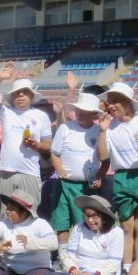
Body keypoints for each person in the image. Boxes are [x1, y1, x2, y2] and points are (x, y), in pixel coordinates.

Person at [96, 82, 138, 269]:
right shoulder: (110, 127)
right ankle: (127, 267)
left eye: (115, 101)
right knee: (127, 226)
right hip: (122, 177)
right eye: (109, 101)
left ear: (128, 102)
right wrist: (103, 131)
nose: (111, 105)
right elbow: (103, 155)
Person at [0, 62, 53, 207]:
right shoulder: (5, 112)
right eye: (17, 93)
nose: (21, 95)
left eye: (25, 92)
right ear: (12, 97)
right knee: (6, 214)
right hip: (7, 171)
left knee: (29, 214)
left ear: (32, 96)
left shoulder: (41, 116)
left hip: (30, 172)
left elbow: (49, 144)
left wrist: (37, 145)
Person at [34, 195, 124, 275]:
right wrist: (73, 270)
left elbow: (113, 265)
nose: (90, 220)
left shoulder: (116, 233)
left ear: (104, 216)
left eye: (95, 216)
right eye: (87, 216)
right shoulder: (78, 228)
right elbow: (68, 256)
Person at [49, 92, 104, 243]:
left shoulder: (99, 131)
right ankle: (63, 256)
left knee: (86, 223)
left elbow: (105, 158)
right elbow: (54, 153)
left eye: (85, 111)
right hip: (64, 183)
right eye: (79, 110)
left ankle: (85, 253)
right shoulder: (65, 128)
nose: (80, 113)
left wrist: (99, 176)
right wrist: (58, 168)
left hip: (86, 186)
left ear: (93, 113)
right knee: (62, 223)